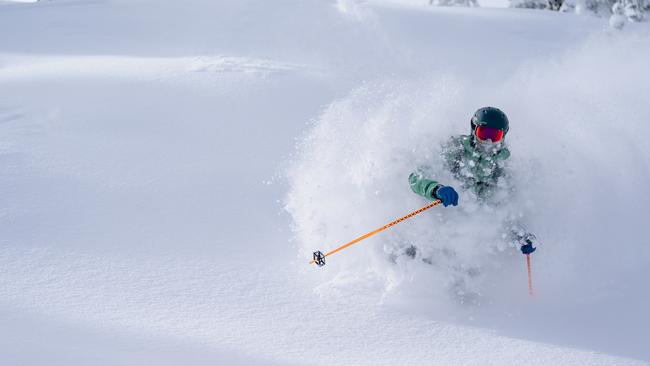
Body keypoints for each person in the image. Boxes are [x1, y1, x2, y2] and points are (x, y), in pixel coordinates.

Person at [408, 107, 537, 255]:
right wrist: (435, 189)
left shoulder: (503, 168)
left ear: (503, 136)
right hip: (438, 225)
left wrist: (518, 235)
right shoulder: (454, 149)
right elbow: (415, 178)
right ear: (473, 130)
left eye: (495, 135)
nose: (488, 141)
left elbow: (504, 209)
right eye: (484, 133)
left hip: (467, 241)